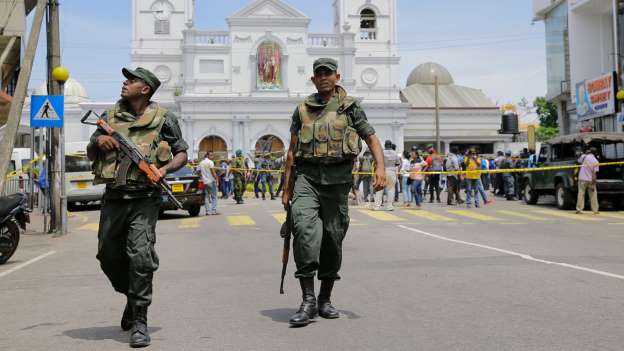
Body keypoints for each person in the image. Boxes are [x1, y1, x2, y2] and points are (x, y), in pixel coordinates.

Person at [86, 67, 188, 347]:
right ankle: (132, 296)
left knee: (140, 256)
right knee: (107, 256)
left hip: (145, 198)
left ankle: (140, 319)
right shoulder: (108, 116)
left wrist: (164, 169)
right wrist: (99, 140)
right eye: (126, 79)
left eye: (131, 80)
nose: (125, 83)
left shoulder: (165, 118)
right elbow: (91, 148)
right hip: (114, 197)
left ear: (145, 89)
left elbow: (182, 152)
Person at [282, 58, 386, 327]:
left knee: (332, 238)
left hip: (338, 182)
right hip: (307, 178)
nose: (324, 77)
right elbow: (292, 152)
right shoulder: (302, 110)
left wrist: (380, 169)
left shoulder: (350, 108)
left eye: (328, 73)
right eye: (319, 74)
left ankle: (325, 298)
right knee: (304, 231)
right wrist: (286, 189)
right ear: (313, 79)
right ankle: (307, 300)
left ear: (337, 76)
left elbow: (372, 139)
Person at [374, 140, 400, 211]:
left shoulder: (382, 152)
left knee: (379, 189)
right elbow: (397, 163)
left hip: (382, 171)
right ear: (391, 145)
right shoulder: (395, 153)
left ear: (385, 145)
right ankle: (389, 206)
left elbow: (377, 161)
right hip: (391, 171)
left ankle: (377, 206)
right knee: (391, 189)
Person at [576, 147, 599, 214]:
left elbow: (578, 161)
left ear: (589, 151)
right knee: (593, 194)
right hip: (590, 180)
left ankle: (579, 209)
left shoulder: (584, 156)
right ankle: (595, 210)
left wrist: (583, 154)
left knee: (581, 193)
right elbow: (594, 174)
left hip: (582, 178)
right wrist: (593, 182)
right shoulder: (596, 161)